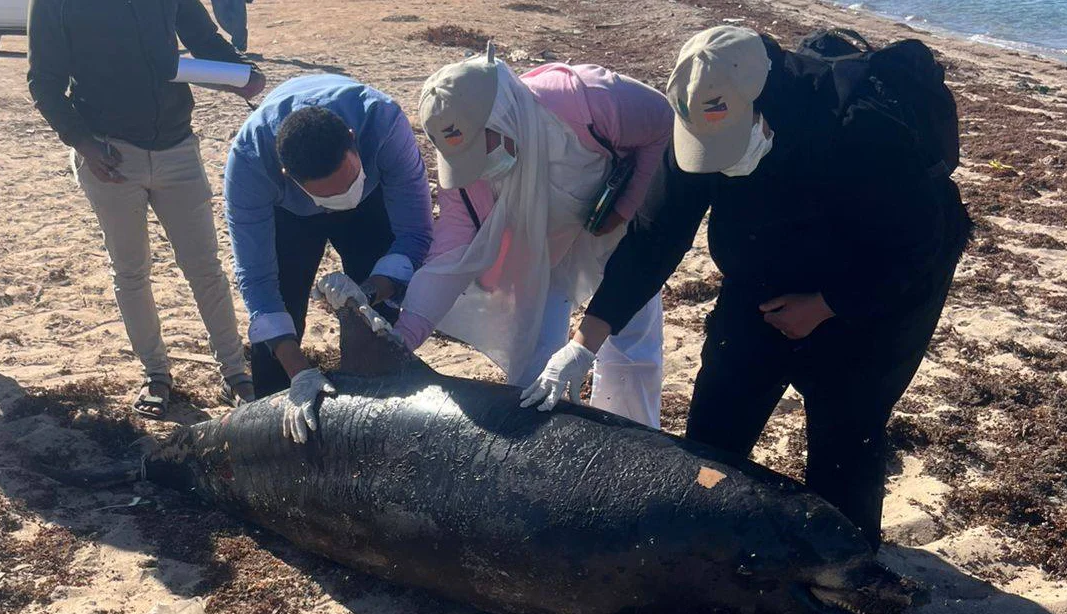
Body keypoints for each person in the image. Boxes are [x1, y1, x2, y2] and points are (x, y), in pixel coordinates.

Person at [569, 26, 971, 549]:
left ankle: (845, 570)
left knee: (845, 446)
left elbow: (919, 246)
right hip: (761, 286)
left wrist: (828, 305)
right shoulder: (700, 113)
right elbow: (655, 236)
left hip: (874, 295)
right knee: (713, 439)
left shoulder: (863, 129)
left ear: (764, 103)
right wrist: (585, 343)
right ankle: (702, 549)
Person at [319, 46, 673, 428]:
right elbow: (448, 260)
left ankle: (633, 434)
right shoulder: (464, 171)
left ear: (502, 113)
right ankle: (541, 449)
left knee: (631, 339)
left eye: (478, 150)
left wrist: (625, 208)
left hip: (614, 222)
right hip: (541, 244)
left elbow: (663, 125)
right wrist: (401, 338)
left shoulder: (584, 100)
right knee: (534, 357)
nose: (476, 169)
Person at [28, 0, 266, 419]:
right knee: (131, 271)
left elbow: (203, 38)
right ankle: (156, 374)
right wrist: (83, 143)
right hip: (110, 155)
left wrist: (241, 71)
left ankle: (235, 373)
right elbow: (43, 82)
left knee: (205, 267)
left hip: (178, 148)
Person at [225, 75, 433, 441]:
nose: (342, 197)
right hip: (288, 215)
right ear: (289, 176)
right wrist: (300, 373)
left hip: (372, 199)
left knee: (376, 316)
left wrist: (366, 293)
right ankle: (275, 419)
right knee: (284, 304)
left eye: (347, 180)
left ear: (353, 140)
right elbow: (257, 281)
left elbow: (414, 234)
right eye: (329, 194)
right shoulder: (249, 164)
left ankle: (377, 408)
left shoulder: (383, 124)